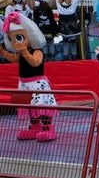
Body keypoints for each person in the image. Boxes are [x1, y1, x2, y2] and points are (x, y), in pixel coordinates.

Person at [1, 10, 57, 141]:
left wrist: (25, 52)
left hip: (37, 83)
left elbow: (35, 62)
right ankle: (34, 127)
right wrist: (3, 53)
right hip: (24, 83)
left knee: (41, 106)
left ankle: (48, 128)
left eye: (18, 37)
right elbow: (16, 60)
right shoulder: (21, 52)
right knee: (30, 108)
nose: (15, 42)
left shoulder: (37, 51)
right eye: (11, 38)